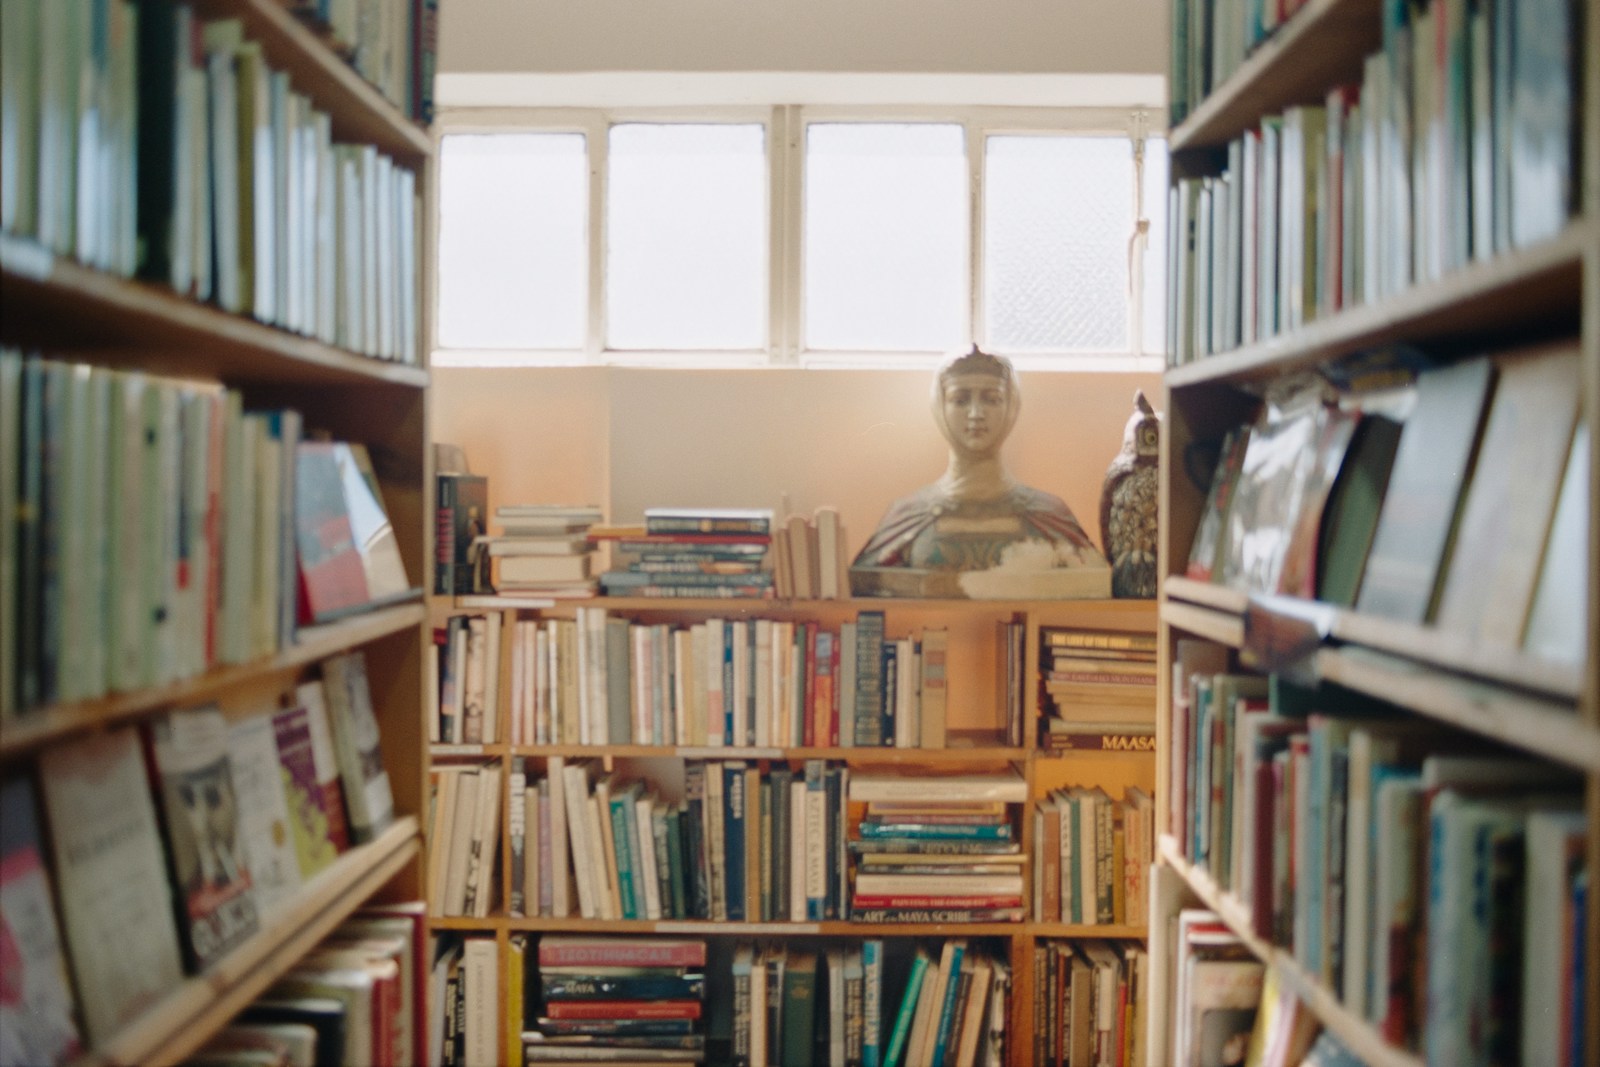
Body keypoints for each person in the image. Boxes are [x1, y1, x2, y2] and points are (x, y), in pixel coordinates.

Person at [851, 346, 1106, 585]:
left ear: (1011, 405)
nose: (975, 413)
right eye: (960, 400)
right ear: (941, 406)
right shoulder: (907, 515)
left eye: (991, 399)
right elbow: (865, 582)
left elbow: (1096, 581)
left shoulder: (1049, 514)